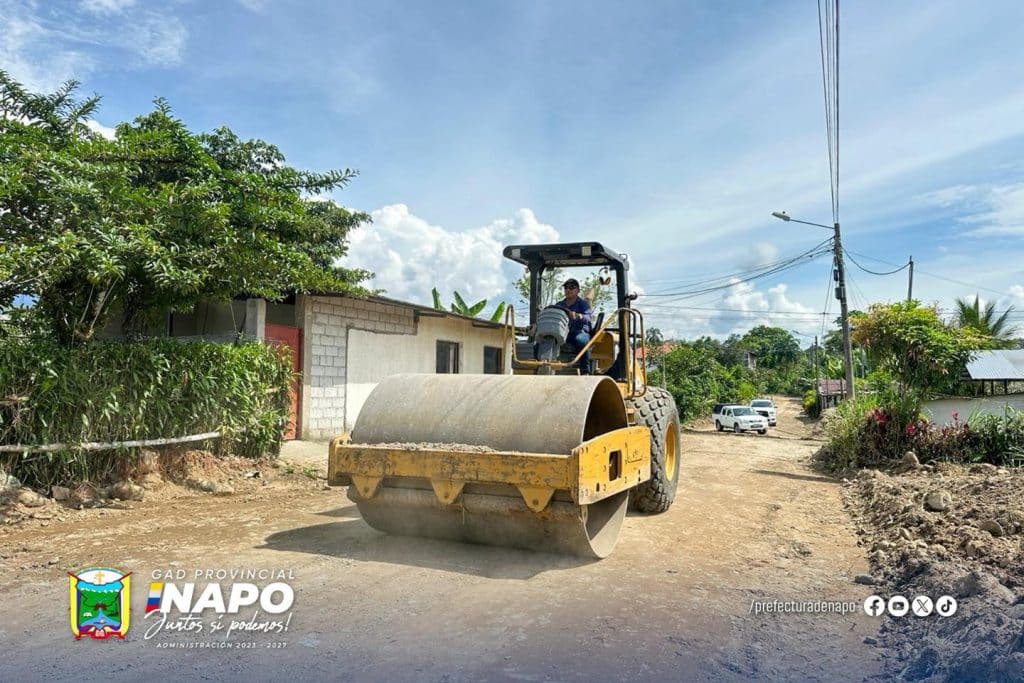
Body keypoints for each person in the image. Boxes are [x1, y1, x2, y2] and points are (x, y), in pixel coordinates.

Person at [557, 278, 592, 374]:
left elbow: (588, 318)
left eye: (572, 287)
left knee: (581, 340)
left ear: (578, 290)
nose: (568, 290)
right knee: (541, 341)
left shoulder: (583, 304)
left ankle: (585, 371)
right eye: (566, 288)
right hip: (562, 332)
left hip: (578, 332)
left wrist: (578, 316)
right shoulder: (559, 304)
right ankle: (540, 367)